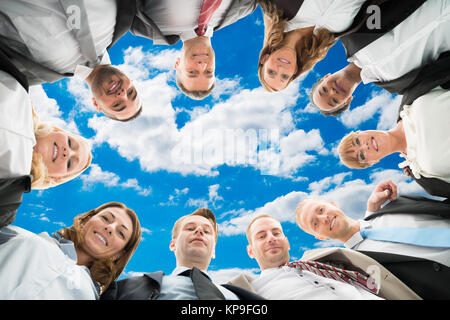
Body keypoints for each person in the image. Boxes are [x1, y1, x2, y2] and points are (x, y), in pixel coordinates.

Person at [295, 180, 450, 299]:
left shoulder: (393, 205)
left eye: (321, 210)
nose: (324, 218)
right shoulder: (362, 269)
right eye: (315, 223)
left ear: (333, 205)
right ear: (320, 237)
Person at [0, 0, 142, 121]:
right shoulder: (121, 18)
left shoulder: (30, 73)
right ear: (132, 81)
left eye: (117, 104)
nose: (122, 94)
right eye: (131, 93)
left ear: (96, 104)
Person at [310, 0, 449, 116]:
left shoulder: (353, 34)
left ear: (325, 77)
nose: (332, 92)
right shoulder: (396, 84)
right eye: (334, 101)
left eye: (324, 90)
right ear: (347, 101)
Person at [101, 208, 264, 300]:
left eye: (207, 231)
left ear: (213, 250)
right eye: (190, 228)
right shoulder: (124, 288)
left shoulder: (243, 298)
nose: (199, 230)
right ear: (173, 244)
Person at [107, 0, 257, 100]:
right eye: (208, 72)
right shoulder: (245, 7)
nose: (202, 65)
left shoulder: (143, 24)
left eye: (192, 72)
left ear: (177, 64)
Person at [0, 201, 142, 299]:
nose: (110, 228)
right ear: (86, 219)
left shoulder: (89, 295)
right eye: (106, 218)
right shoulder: (22, 237)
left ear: (119, 254)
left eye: (121, 233)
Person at [235, 214, 392, 299]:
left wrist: (372, 213)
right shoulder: (253, 292)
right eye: (261, 236)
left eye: (276, 233)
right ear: (251, 251)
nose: (271, 238)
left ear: (287, 243)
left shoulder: (325, 263)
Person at [336, 86, 450, 198]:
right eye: (361, 155)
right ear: (372, 162)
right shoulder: (424, 175)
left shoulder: (411, 97)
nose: (365, 146)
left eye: (357, 141)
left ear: (362, 132)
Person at [257, 0, 368, 92]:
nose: (280, 69)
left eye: (271, 71)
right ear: (295, 70)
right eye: (284, 76)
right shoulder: (327, 37)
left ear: (264, 58)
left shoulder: (277, 5)